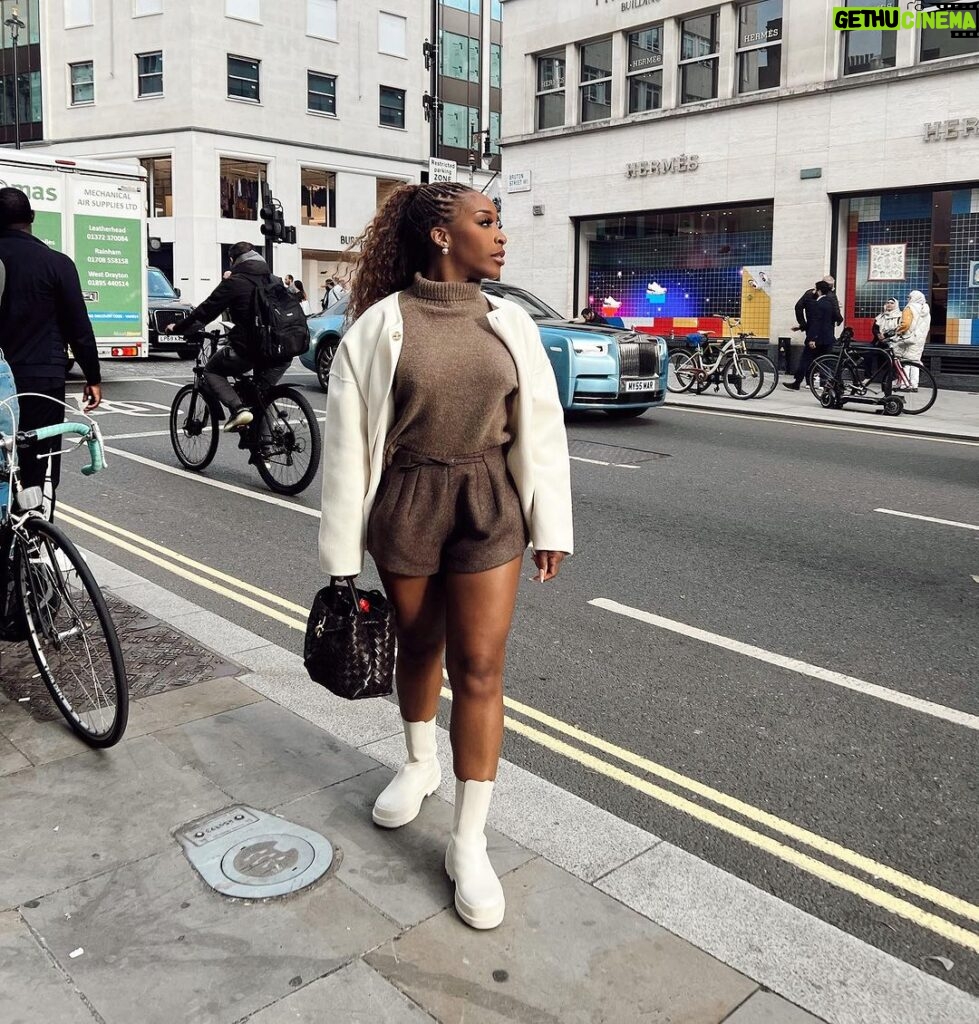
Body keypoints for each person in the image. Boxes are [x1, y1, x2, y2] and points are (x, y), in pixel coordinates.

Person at [318, 181, 573, 931]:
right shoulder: (378, 327)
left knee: (482, 668)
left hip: (489, 502)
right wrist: (340, 560)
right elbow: (343, 449)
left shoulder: (510, 322)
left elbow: (541, 425)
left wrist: (549, 522)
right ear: (439, 235)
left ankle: (468, 840)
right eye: (485, 222)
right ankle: (418, 761)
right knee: (418, 646)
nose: (500, 236)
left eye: (497, 224)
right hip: (407, 502)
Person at [0, 187, 102, 498]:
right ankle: (33, 532)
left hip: (2, 374)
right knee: (39, 460)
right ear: (32, 218)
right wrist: (92, 377)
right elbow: (78, 327)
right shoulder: (57, 263)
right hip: (42, 378)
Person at [166, 241, 290, 431]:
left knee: (211, 371)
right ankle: (264, 446)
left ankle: (238, 409)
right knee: (260, 395)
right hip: (284, 349)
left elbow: (205, 311)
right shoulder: (276, 280)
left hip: (251, 348)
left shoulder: (234, 282)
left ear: (233, 260)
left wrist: (178, 328)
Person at [783, 279, 841, 390]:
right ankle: (826, 385)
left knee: (805, 360)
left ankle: (797, 382)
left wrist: (812, 338)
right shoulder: (830, 302)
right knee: (825, 361)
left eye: (815, 289)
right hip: (828, 338)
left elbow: (816, 322)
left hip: (816, 338)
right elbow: (836, 318)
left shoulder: (817, 304)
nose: (813, 291)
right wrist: (801, 327)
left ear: (819, 291)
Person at [893, 290, 930, 390]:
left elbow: (905, 324)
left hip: (908, 339)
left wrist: (898, 331)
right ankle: (914, 384)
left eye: (909, 297)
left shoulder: (910, 308)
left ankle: (905, 384)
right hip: (919, 340)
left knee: (906, 362)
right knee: (915, 362)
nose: (907, 299)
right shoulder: (925, 309)